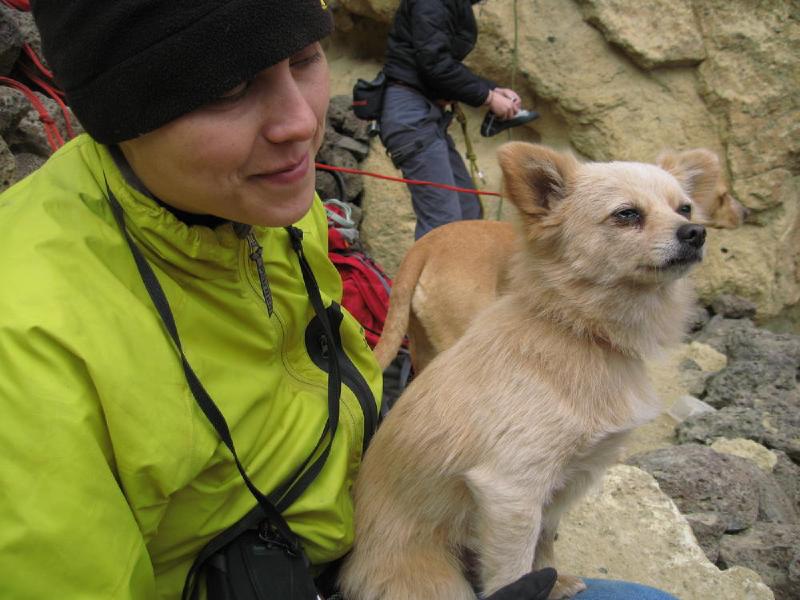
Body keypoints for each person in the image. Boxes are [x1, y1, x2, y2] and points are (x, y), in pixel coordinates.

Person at [0, 2, 677, 599]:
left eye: (304, 59)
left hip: (386, 533)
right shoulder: (26, 343)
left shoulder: (268, 206)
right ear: (123, 108)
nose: (299, 123)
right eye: (232, 86)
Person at [379, 0, 523, 239]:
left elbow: (438, 64)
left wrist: (494, 90)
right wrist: (488, 97)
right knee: (442, 223)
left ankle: (465, 276)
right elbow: (434, 64)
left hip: (424, 115)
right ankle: (430, 277)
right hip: (411, 114)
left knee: (468, 211)